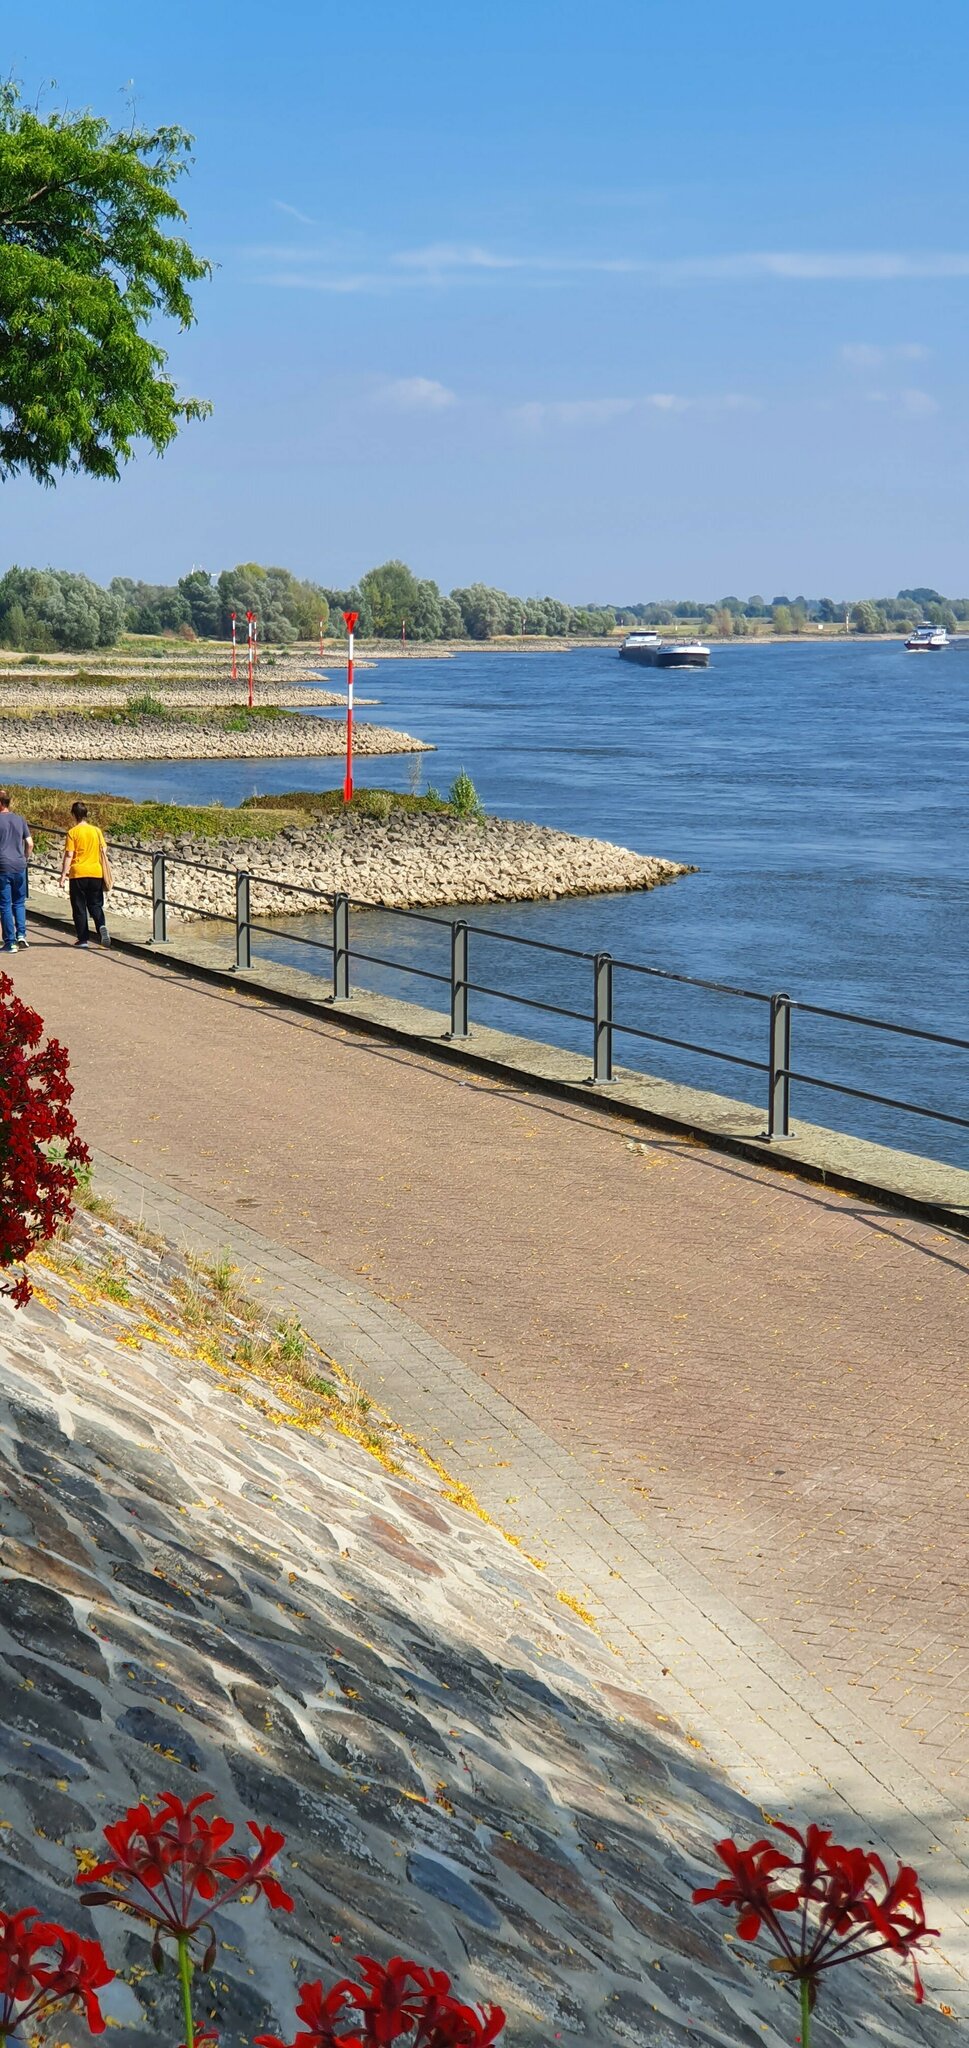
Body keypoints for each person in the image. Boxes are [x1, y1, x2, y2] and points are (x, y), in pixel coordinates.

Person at [59, 801, 112, 948]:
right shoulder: (96, 831)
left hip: (78, 873)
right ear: (86, 814)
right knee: (95, 904)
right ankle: (101, 926)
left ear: (73, 814)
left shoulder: (73, 832)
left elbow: (69, 854)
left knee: (79, 907)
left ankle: (82, 939)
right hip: (96, 872)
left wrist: (63, 875)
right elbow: (104, 849)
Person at [0, 789, 33, 954]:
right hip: (19, 865)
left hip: (3, 865)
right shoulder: (20, 819)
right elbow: (30, 843)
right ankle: (21, 935)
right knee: (19, 902)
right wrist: (25, 858)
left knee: (5, 904)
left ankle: (10, 942)